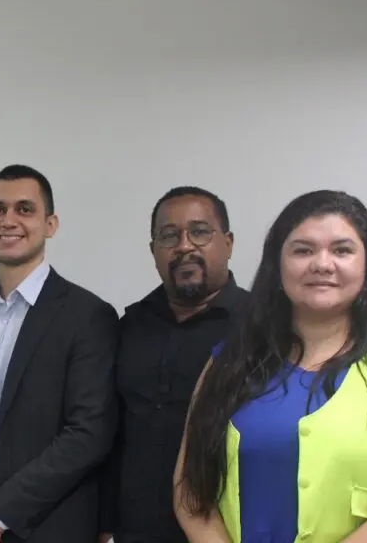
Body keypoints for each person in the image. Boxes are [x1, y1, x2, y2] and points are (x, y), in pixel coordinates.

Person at [174, 190, 367, 542]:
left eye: (342, 250)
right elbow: (191, 493)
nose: (322, 263)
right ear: (278, 265)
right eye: (303, 250)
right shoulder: (228, 362)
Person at [0, 164, 119, 543]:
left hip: (47, 522)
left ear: (50, 224)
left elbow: (89, 433)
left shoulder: (89, 316)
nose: (9, 220)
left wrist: (2, 511)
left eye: (25, 209)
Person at [98, 186, 248, 543]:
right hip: (136, 530)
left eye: (199, 232)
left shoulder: (261, 328)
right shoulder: (129, 326)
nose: (184, 245)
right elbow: (112, 432)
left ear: (227, 243)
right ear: (153, 251)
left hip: (226, 531)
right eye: (169, 235)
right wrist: (104, 524)